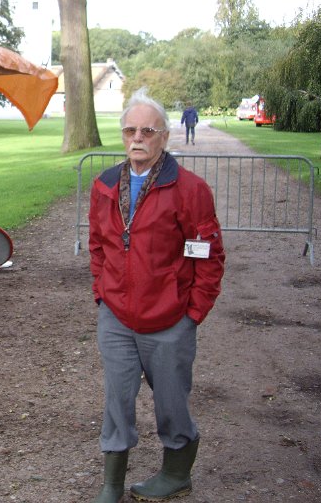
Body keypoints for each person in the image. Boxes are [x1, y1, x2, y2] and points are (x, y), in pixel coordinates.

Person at [87, 89, 225, 502]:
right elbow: (98, 245)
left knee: (170, 401)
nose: (138, 137)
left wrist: (192, 314)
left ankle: (177, 471)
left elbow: (209, 255)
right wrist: (102, 294)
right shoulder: (105, 184)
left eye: (148, 130)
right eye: (130, 129)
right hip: (117, 317)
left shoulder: (190, 189)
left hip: (169, 320)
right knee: (117, 399)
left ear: (165, 136)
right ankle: (111, 484)